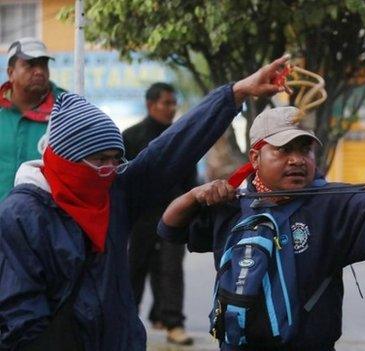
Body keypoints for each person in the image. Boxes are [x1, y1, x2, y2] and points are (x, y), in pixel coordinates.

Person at [0, 56, 290, 350]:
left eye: (116, 160)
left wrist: (235, 93)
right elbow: (21, 317)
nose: (109, 170)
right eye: (100, 161)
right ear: (66, 160)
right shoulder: (22, 216)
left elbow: (171, 149)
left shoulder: (114, 190)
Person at [158, 106, 365, 351]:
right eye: (284, 150)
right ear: (256, 157)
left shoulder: (333, 203)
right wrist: (194, 196)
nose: (297, 160)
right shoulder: (230, 204)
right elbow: (169, 229)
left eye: (305, 150)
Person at [122, 83, 195, 345]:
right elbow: (122, 179)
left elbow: (190, 180)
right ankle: (125, 321)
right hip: (140, 218)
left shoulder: (181, 137)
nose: (172, 108)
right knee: (134, 269)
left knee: (171, 270)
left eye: (174, 103)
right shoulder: (130, 137)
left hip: (174, 216)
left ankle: (174, 324)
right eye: (167, 103)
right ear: (151, 104)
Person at [0, 37, 65, 200]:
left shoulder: (66, 109)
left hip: (46, 219)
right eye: (30, 64)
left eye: (43, 64)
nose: (39, 71)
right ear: (10, 73)